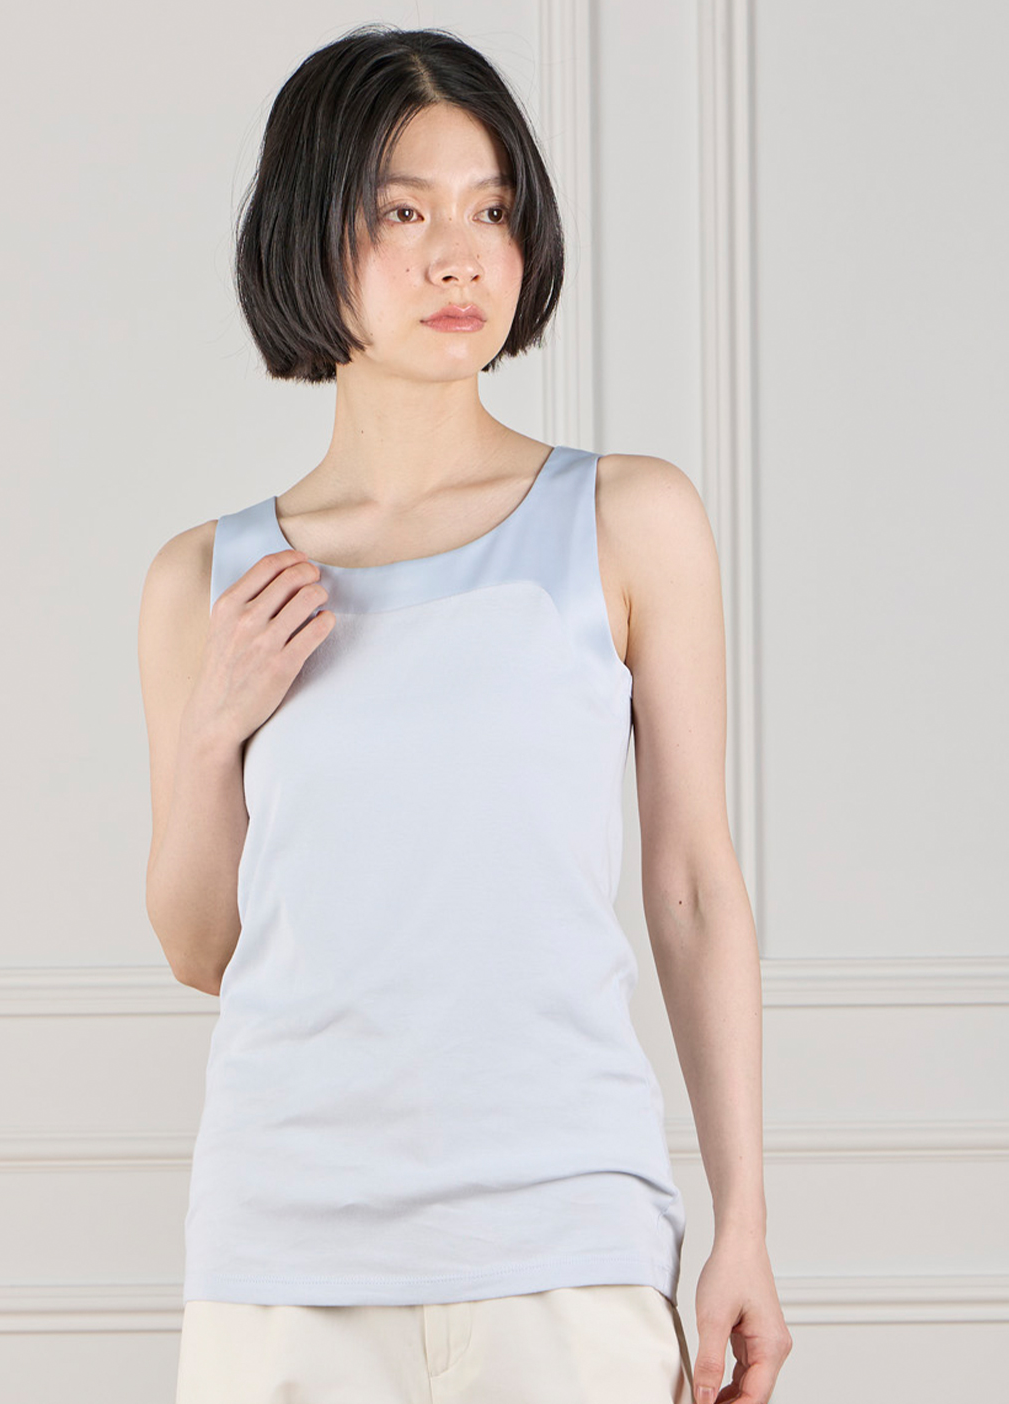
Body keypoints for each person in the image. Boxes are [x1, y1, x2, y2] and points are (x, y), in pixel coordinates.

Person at [138, 22, 792, 1404]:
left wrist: (742, 1220)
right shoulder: (207, 580)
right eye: (402, 213)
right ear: (309, 233)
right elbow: (203, 949)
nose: (460, 258)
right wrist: (215, 728)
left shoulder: (629, 518)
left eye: (491, 211)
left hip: (569, 1236)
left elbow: (689, 885)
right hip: (283, 1254)